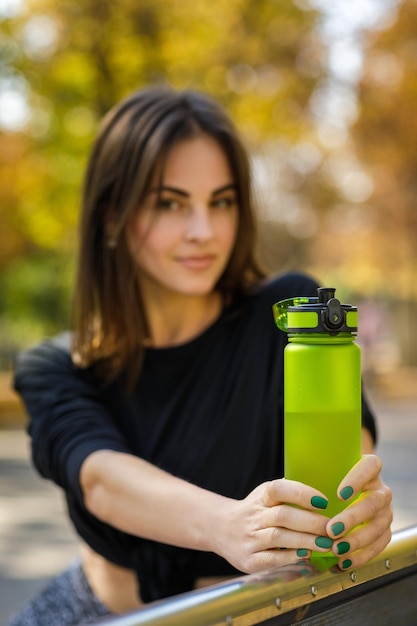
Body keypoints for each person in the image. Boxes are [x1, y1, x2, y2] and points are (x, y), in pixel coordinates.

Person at [8, 85, 392, 626]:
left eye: (222, 201)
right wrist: (228, 525)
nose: (203, 232)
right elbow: (101, 478)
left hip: (265, 616)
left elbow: (346, 454)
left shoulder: (285, 317)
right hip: (91, 613)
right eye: (170, 202)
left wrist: (356, 511)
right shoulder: (57, 366)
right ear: (111, 216)